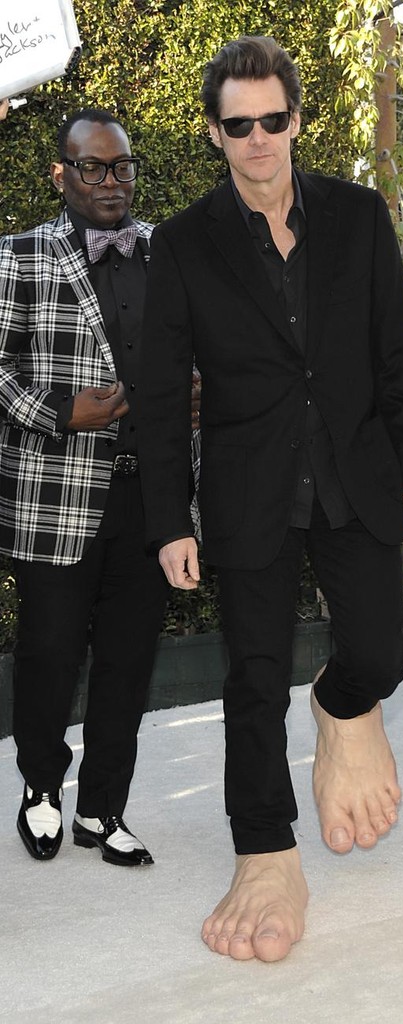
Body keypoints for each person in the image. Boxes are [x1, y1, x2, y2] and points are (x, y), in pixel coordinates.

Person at [139, 35, 403, 962]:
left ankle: (341, 705)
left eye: (273, 119)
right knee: (250, 681)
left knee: (380, 654)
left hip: (355, 476)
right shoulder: (183, 242)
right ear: (217, 134)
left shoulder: (359, 215)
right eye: (239, 125)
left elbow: (395, 358)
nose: (258, 138)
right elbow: (156, 394)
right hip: (248, 489)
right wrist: (168, 521)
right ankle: (265, 848)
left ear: (296, 120)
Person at [0, 108, 172, 866]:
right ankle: (41, 789)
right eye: (94, 167)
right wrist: (59, 411)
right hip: (55, 500)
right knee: (49, 657)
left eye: (122, 166)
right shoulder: (18, 257)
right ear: (61, 174)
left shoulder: (169, 254)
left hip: (150, 500)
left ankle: (104, 810)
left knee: (131, 664)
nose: (111, 181)